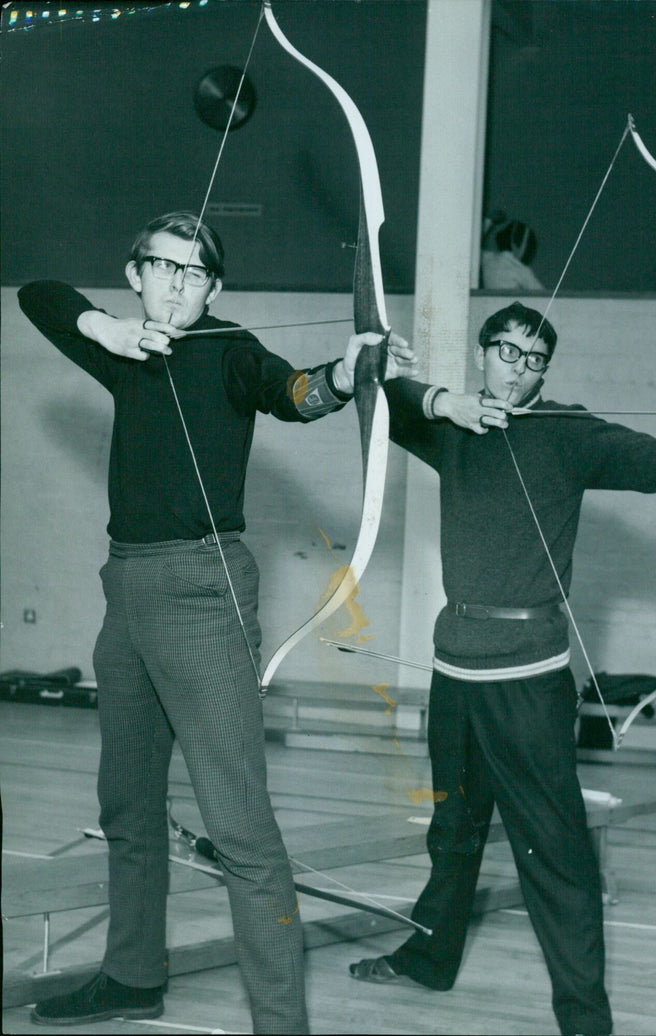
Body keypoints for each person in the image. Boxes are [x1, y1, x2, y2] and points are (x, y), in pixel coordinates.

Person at [18, 210, 418, 1035]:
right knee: (126, 803)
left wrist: (344, 377)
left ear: (215, 288)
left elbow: (294, 393)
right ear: (135, 274)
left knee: (240, 826)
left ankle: (281, 1024)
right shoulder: (125, 345)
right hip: (124, 590)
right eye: (162, 266)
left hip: (202, 593)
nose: (176, 283)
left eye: (195, 271)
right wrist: (109, 330)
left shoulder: (228, 348)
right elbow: (38, 294)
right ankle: (133, 975)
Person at [348, 300, 656, 1036]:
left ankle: (584, 1018)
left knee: (557, 851)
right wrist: (426, 390)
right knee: (453, 830)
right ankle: (429, 960)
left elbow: (651, 461)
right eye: (508, 353)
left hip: (530, 681)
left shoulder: (567, 434)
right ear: (483, 353)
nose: (520, 370)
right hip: (456, 672)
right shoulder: (450, 430)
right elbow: (375, 393)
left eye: (535, 359)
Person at [480, 210, 545, 291]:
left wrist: (489, 221)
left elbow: (473, 244)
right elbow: (542, 295)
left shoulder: (487, 258)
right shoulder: (521, 269)